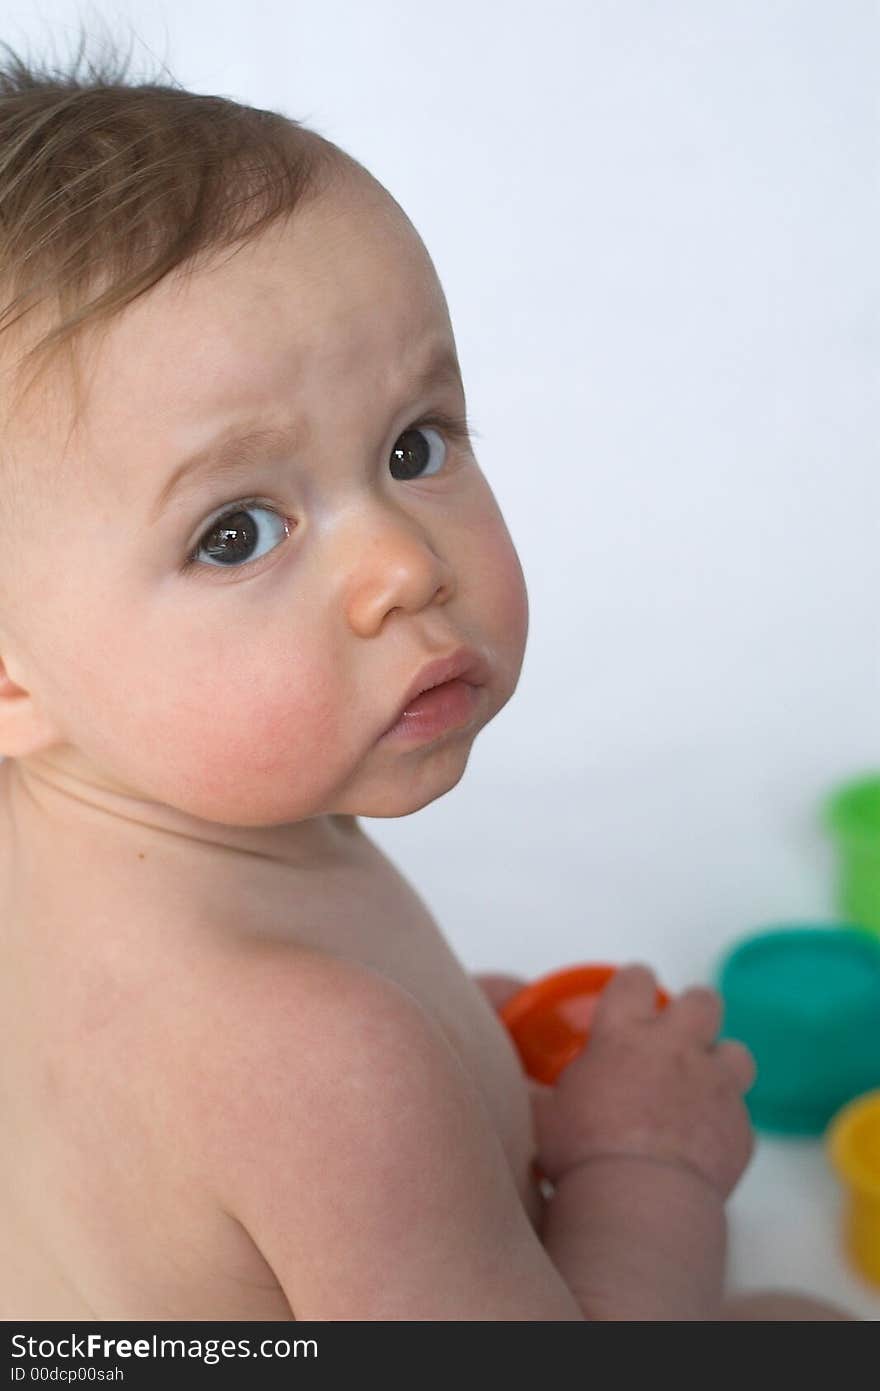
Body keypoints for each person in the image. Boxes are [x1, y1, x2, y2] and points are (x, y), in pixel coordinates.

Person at [0, 37, 852, 1321]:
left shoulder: (115, 853)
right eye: (236, 531)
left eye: (414, 443)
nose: (403, 564)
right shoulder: (324, 1064)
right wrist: (645, 1166)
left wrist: (469, 1053)